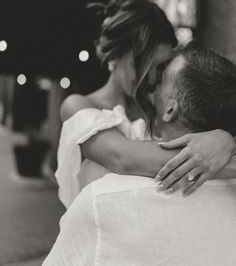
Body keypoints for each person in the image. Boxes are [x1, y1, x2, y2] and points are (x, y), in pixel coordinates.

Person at [43, 42, 236, 266]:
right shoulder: (118, 128)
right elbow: (121, 154)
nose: (150, 85)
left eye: (160, 77)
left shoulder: (101, 201)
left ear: (171, 109)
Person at [57, 0, 236, 209]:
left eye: (160, 66)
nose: (151, 77)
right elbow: (122, 158)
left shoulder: (159, 111)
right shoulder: (78, 106)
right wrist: (221, 153)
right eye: (143, 64)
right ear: (117, 54)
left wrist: (224, 138)